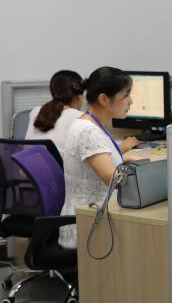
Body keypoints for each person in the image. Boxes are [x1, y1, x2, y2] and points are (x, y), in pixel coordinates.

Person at [58, 67, 143, 249]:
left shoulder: (88, 123)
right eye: (126, 96)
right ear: (104, 99)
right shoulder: (88, 132)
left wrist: (122, 162)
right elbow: (113, 181)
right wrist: (146, 175)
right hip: (88, 225)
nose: (131, 101)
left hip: (94, 215)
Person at [25, 70, 85, 153]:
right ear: (79, 95)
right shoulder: (81, 117)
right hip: (60, 162)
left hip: (32, 161)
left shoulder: (35, 111)